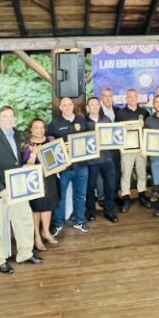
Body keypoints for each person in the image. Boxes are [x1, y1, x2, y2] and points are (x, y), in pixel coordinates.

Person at [0, 106, 42, 275]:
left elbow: (19, 161)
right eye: (5, 116)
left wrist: (31, 159)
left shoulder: (17, 135)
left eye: (11, 116)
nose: (9, 119)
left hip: (16, 187)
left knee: (24, 220)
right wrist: (0, 190)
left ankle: (25, 254)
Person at [47, 97, 91, 235]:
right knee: (61, 196)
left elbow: (90, 139)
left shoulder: (81, 120)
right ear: (60, 108)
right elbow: (49, 142)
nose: (67, 107)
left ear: (73, 106)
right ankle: (57, 223)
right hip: (63, 168)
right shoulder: (54, 123)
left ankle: (79, 221)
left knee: (80, 195)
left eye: (69, 104)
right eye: (64, 105)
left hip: (81, 166)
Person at [21, 119, 61, 249]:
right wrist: (33, 154)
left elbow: (58, 158)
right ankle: (37, 236)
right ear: (31, 129)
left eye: (42, 127)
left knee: (48, 206)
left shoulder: (51, 140)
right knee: (36, 208)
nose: (40, 130)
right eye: (36, 127)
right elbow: (27, 166)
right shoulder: (26, 145)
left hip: (49, 178)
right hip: (34, 180)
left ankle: (46, 231)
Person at [115, 89, 151, 212]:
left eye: (134, 96)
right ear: (126, 98)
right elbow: (116, 131)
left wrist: (144, 125)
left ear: (137, 97)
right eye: (129, 97)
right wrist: (122, 127)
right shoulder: (120, 113)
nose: (132, 99)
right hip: (127, 149)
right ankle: (125, 197)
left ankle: (142, 194)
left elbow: (149, 129)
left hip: (141, 148)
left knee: (142, 172)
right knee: (126, 173)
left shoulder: (144, 112)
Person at [84, 98, 119, 223]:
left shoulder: (106, 119)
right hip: (91, 161)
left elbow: (114, 136)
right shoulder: (83, 122)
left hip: (107, 158)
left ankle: (109, 211)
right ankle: (90, 211)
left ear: (99, 106)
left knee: (110, 185)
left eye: (96, 104)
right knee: (90, 187)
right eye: (91, 104)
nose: (94, 106)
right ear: (88, 107)